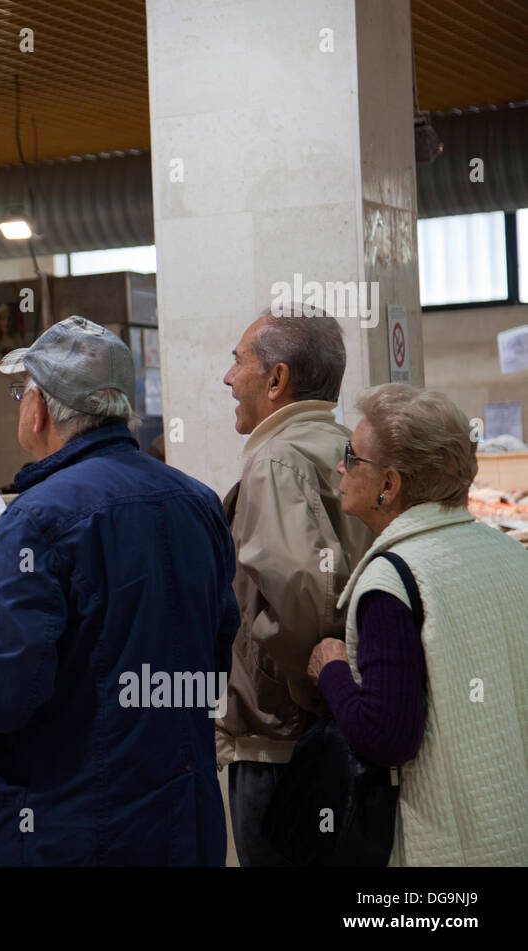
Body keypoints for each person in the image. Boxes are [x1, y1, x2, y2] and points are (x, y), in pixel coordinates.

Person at [0, 317, 239, 866]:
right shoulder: (198, 502)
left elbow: (1, 694)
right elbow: (216, 652)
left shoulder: (34, 518)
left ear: (39, 407)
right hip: (182, 818)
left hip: (71, 831)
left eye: (22, 391)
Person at [307, 384, 528, 865]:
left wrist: (331, 670)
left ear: (390, 483)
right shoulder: (511, 556)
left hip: (451, 846)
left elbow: (387, 737)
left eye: (352, 456)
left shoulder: (394, 580)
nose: (341, 468)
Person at [217, 307, 372, 865]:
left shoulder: (275, 460)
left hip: (285, 742)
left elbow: (301, 596)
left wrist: (324, 692)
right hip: (338, 730)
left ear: (277, 379)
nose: (228, 378)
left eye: (238, 362)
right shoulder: (345, 445)